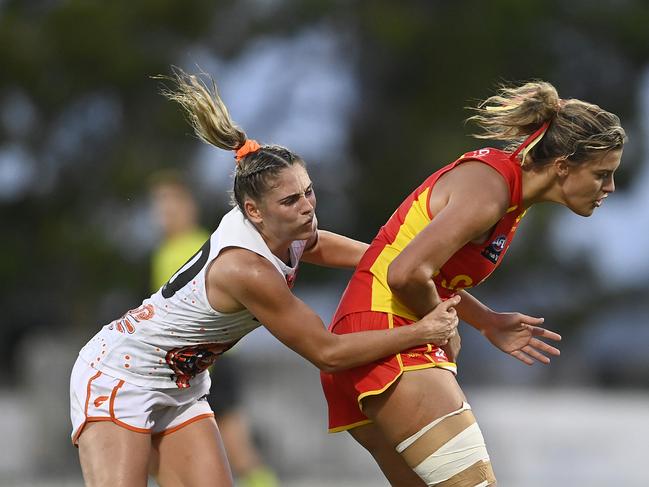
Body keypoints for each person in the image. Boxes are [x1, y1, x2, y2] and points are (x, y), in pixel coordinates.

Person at [68, 68, 462, 487]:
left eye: (308, 191)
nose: (307, 207)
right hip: (121, 374)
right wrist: (422, 331)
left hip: (183, 381)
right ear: (254, 211)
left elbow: (314, 243)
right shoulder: (247, 269)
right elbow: (327, 352)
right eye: (291, 200)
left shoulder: (285, 229)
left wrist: (390, 260)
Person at [320, 80, 626, 486]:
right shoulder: (491, 190)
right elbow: (406, 274)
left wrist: (486, 320)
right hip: (390, 339)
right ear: (563, 165)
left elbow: (421, 269)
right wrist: (443, 325)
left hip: (369, 336)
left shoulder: (506, 192)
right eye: (602, 174)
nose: (610, 187)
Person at [149, 172, 279, 487]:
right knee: (161, 452)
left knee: (238, 451)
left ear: (188, 207)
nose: (164, 216)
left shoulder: (204, 244)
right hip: (183, 365)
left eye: (170, 207)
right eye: (159, 209)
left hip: (213, 360)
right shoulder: (161, 253)